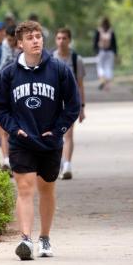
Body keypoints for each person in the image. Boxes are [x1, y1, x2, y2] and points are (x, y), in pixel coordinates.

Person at [0, 20, 82, 260]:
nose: (36, 41)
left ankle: (44, 238)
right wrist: (14, 129)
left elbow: (73, 105)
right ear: (19, 43)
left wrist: (58, 129)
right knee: (24, 188)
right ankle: (25, 239)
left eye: (38, 36)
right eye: (30, 37)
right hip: (21, 140)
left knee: (46, 189)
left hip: (50, 141)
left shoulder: (60, 70)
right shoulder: (9, 73)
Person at [53, 27, 88, 179]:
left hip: (69, 101)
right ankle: (59, 161)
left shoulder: (76, 60)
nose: (61, 41)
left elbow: (80, 85)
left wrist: (82, 107)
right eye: (59, 38)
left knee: (68, 134)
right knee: (55, 135)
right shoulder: (50, 58)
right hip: (52, 102)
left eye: (64, 38)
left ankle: (67, 165)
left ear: (69, 40)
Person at [0, 26, 21, 168]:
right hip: (1, 94)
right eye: (9, 40)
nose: (12, 43)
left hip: (19, 95)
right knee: (3, 130)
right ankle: (6, 160)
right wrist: (3, 66)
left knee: (18, 130)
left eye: (14, 40)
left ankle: (16, 160)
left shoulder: (23, 51)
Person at [95, 16, 118, 90]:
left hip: (101, 51)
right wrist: (115, 52)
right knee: (108, 67)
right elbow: (114, 43)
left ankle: (102, 81)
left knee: (100, 67)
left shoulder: (99, 31)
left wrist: (96, 50)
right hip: (110, 52)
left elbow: (95, 41)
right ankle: (107, 85)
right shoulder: (111, 31)